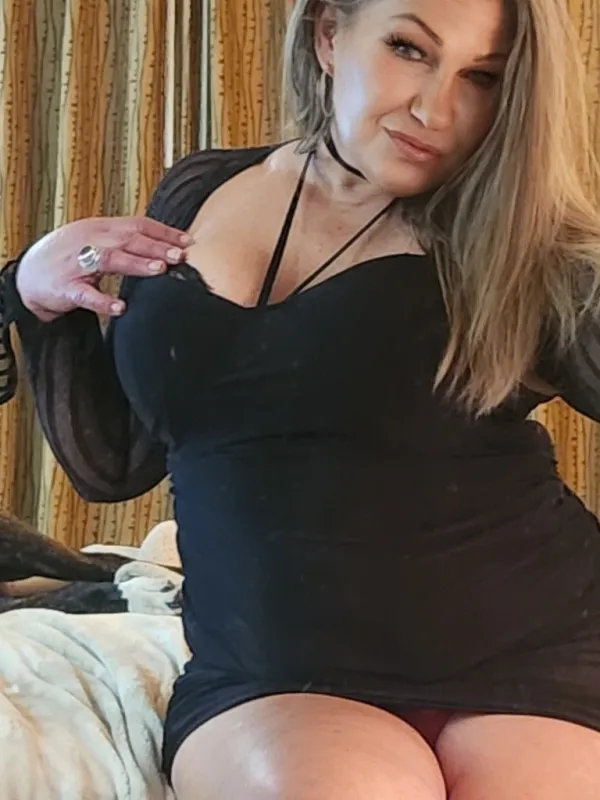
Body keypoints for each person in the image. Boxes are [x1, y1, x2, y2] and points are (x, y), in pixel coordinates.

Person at [3, 0, 600, 796]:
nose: (435, 108)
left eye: (483, 77)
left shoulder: (526, 246)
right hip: (277, 673)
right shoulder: (202, 188)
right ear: (327, 35)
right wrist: (41, 298)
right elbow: (116, 463)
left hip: (537, 655)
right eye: (408, 48)